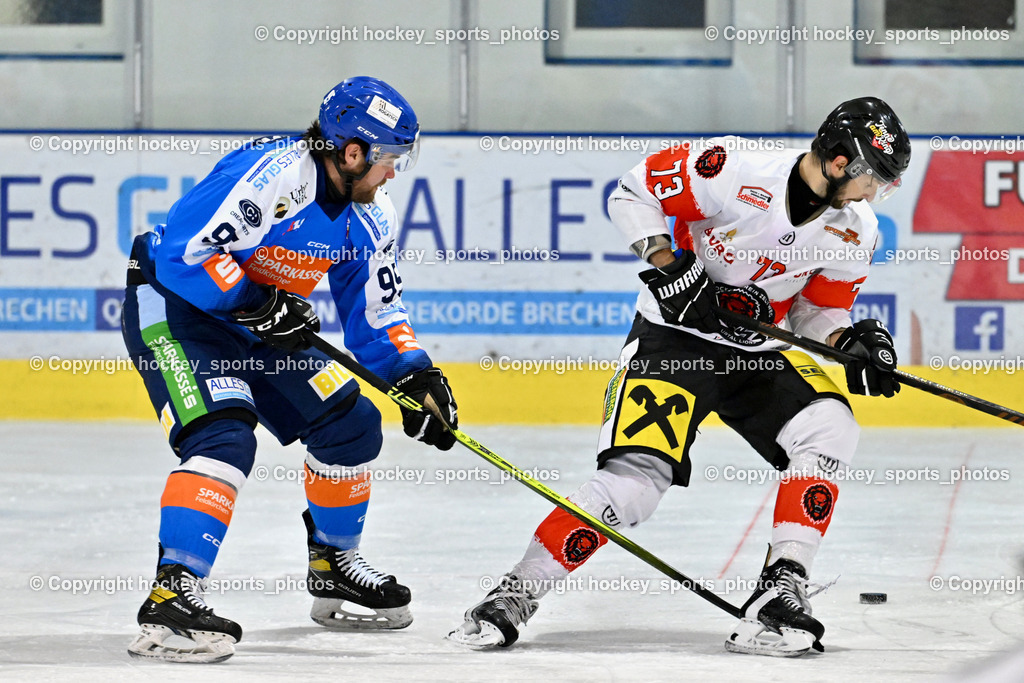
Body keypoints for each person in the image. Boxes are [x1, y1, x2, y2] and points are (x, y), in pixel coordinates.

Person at [449, 97, 910, 657]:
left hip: (752, 355)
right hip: (673, 344)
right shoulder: (733, 171)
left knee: (830, 428)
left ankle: (781, 585)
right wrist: (671, 267)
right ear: (840, 162)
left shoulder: (855, 229)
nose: (874, 193)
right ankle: (515, 593)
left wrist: (847, 342)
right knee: (633, 485)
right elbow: (632, 191)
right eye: (874, 179)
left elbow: (816, 311)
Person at [123, 76, 458, 663]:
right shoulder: (271, 177)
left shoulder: (371, 214)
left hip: (256, 319)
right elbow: (185, 254)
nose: (393, 174)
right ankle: (171, 595)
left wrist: (414, 374)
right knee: (224, 435)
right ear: (351, 153)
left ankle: (332, 565)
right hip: (176, 307)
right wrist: (254, 302)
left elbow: (377, 310)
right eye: (388, 160)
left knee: (351, 424)